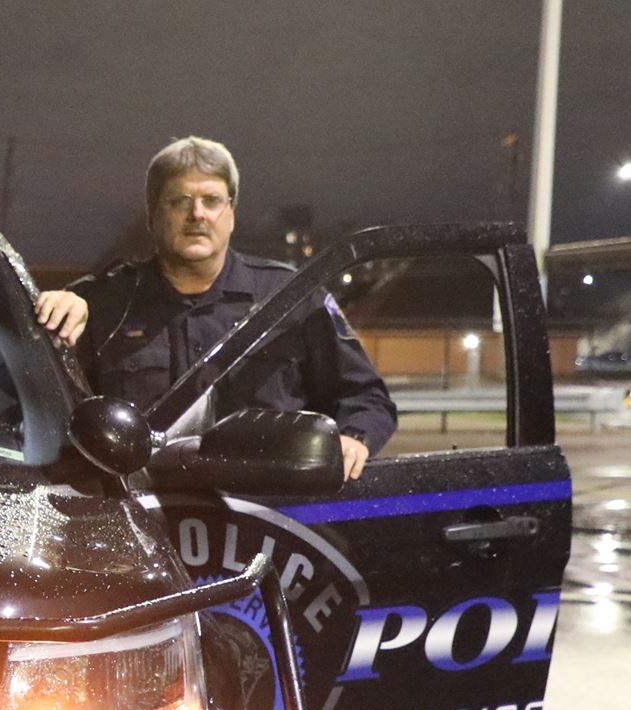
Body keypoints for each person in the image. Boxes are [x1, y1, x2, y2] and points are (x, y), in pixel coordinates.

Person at [33, 136, 394, 482]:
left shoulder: (292, 297)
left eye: (212, 200)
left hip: (271, 519)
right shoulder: (100, 305)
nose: (197, 214)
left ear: (231, 214)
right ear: (153, 214)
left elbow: (367, 397)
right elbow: (45, 414)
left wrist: (353, 439)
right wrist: (58, 312)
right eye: (180, 200)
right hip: (142, 517)